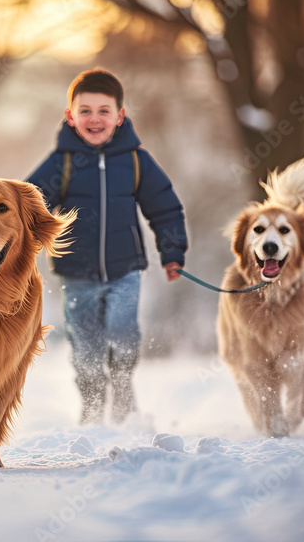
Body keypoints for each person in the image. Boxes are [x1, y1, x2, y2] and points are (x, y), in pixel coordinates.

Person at [26, 68, 187, 425]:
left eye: (104, 111)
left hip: (125, 269)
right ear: (70, 116)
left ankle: (123, 390)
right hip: (76, 273)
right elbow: (28, 207)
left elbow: (164, 207)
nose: (94, 119)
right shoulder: (62, 163)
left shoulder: (135, 161)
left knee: (122, 332)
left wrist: (172, 253)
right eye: (85, 111)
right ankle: (93, 403)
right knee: (85, 347)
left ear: (120, 116)